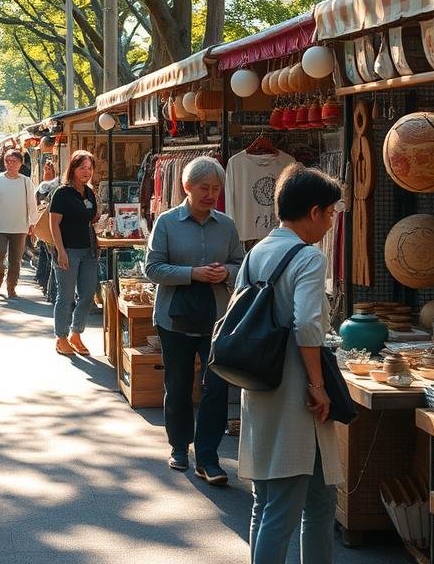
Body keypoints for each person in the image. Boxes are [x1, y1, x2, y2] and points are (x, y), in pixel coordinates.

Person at [238, 164, 343, 564]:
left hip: (261, 384)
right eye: (330, 213)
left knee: (285, 501)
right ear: (314, 212)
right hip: (297, 392)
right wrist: (318, 387)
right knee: (283, 507)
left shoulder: (256, 252)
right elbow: (307, 325)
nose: (331, 222)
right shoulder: (309, 258)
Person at [144, 156, 244, 481]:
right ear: (187, 187)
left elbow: (241, 265)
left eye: (215, 188)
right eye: (204, 188)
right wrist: (193, 273)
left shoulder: (226, 225)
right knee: (178, 385)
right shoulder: (167, 222)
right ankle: (178, 445)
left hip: (216, 319)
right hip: (174, 319)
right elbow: (152, 268)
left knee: (215, 387)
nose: (210, 194)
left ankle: (208, 457)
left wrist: (224, 272)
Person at [48, 150, 99, 356]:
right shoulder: (62, 192)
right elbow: (54, 223)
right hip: (68, 249)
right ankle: (61, 337)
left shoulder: (89, 192)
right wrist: (60, 251)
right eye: (82, 168)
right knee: (66, 296)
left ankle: (76, 334)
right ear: (73, 169)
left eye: (90, 168)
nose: (86, 172)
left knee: (87, 295)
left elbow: (91, 218)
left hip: (89, 249)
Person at [0, 149, 38, 298]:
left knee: (15, 260)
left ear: (20, 163)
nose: (11, 164)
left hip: (20, 226)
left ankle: (11, 287)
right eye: (8, 161)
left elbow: (32, 203)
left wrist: (33, 222)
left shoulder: (26, 182)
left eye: (14, 161)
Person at [34, 159, 59, 297]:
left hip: (46, 227)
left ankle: (47, 288)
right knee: (51, 260)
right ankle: (49, 290)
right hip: (47, 227)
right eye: (45, 169)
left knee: (50, 259)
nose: (46, 172)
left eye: (49, 169)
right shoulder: (47, 186)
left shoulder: (48, 186)